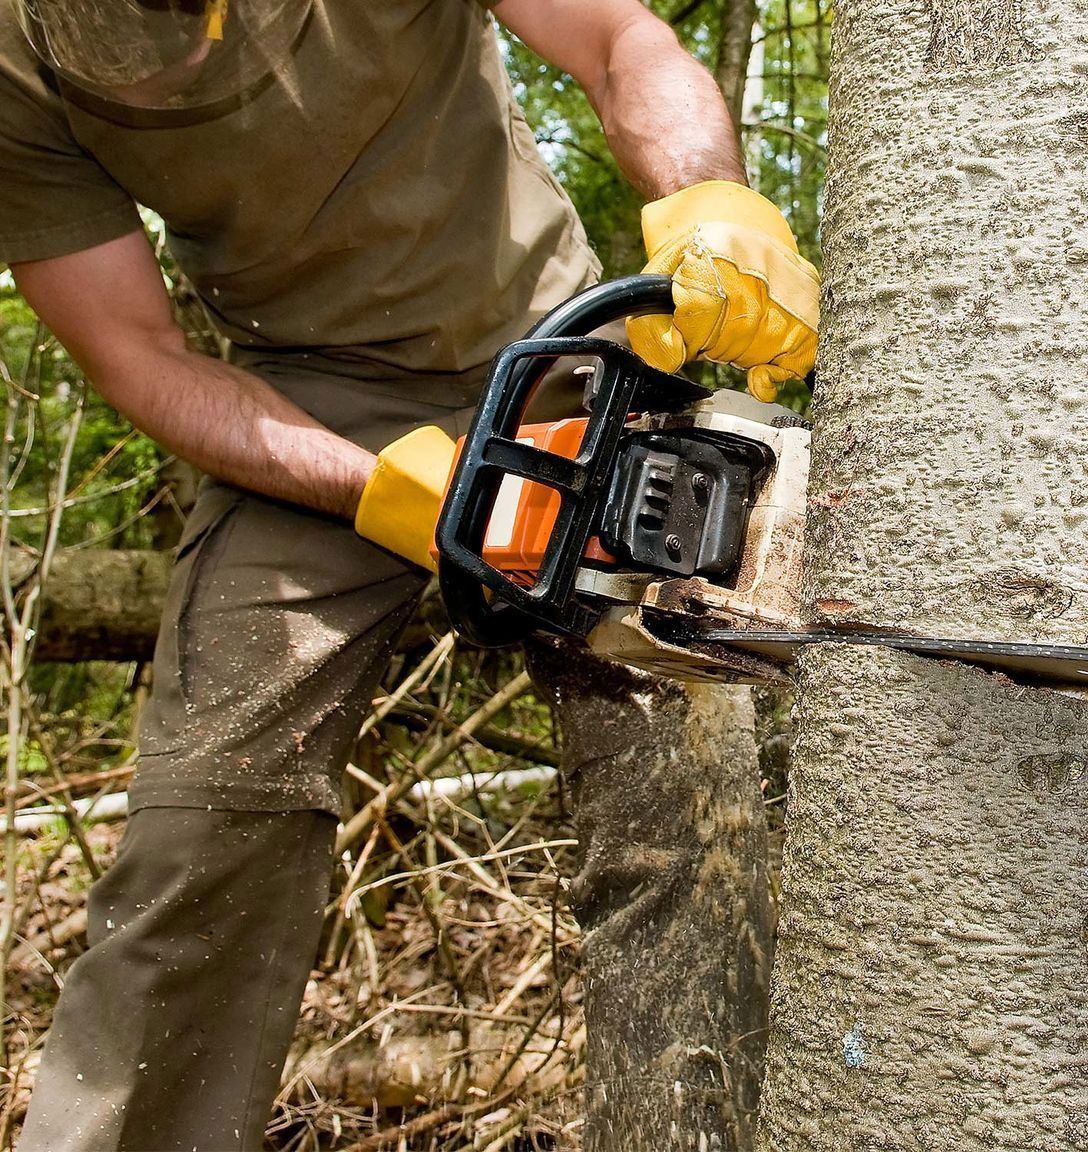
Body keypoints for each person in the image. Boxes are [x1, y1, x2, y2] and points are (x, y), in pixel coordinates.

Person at [0, 0, 816, 1146]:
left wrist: (714, 205)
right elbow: (136, 352)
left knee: (683, 804)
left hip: (557, 355)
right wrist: (371, 488)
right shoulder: (10, 66)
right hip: (299, 404)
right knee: (209, 815)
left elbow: (618, 40)